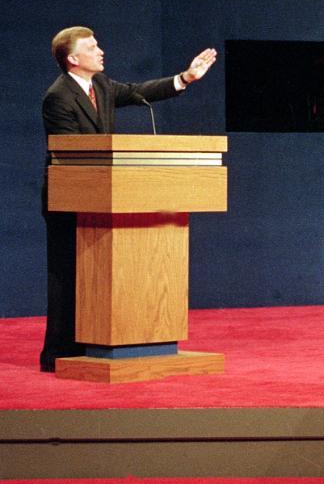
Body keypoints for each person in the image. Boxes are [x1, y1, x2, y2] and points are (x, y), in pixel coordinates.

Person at [39, 25, 217, 372]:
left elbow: (139, 91)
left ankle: (96, 343)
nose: (100, 51)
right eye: (92, 47)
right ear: (73, 59)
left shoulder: (101, 86)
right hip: (73, 200)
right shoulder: (58, 96)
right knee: (69, 275)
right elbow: (71, 153)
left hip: (108, 197)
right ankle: (58, 353)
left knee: (101, 275)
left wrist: (186, 78)